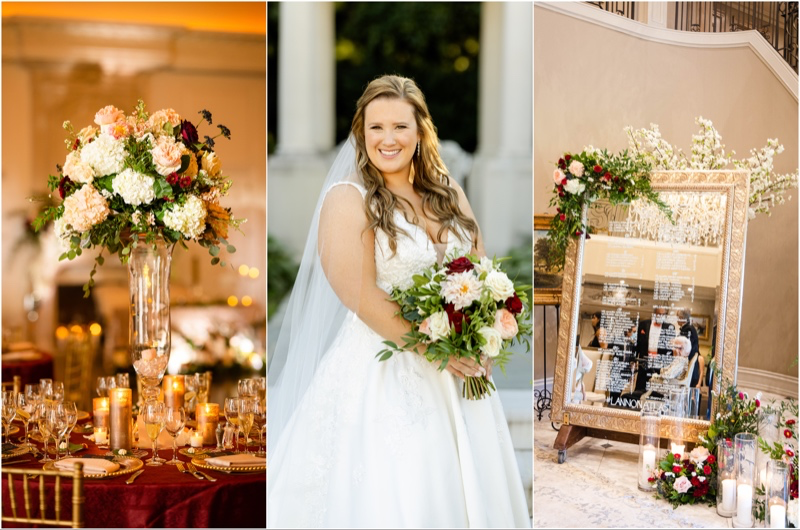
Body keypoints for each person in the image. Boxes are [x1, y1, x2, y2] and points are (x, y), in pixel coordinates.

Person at [267, 75, 530, 528]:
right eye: (376, 128)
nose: (388, 139)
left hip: (463, 375)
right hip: (383, 373)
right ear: (360, 133)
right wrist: (434, 350)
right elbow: (360, 295)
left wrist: (484, 340)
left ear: (420, 131)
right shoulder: (349, 199)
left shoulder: (449, 193)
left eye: (400, 127)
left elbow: (482, 272)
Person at [633, 307, 677, 392]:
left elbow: (670, 348)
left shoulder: (670, 327)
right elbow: (638, 343)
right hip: (644, 360)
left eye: (663, 314)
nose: (660, 316)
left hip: (659, 363)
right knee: (641, 386)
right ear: (654, 314)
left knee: (655, 389)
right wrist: (634, 359)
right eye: (659, 314)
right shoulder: (643, 324)